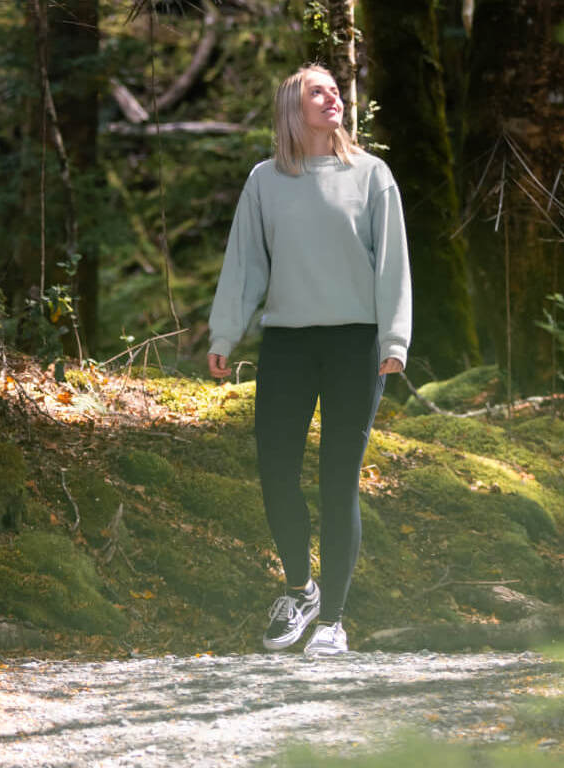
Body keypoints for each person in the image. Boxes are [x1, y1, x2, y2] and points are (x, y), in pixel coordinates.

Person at [206, 64, 411, 657]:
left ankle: (334, 622)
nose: (333, 98)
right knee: (275, 473)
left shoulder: (372, 175)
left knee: (337, 480)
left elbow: (391, 265)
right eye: (317, 91)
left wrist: (395, 340)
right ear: (292, 111)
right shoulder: (266, 181)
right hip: (289, 345)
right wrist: (225, 334)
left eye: (335, 90)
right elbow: (245, 265)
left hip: (356, 344)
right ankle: (301, 590)